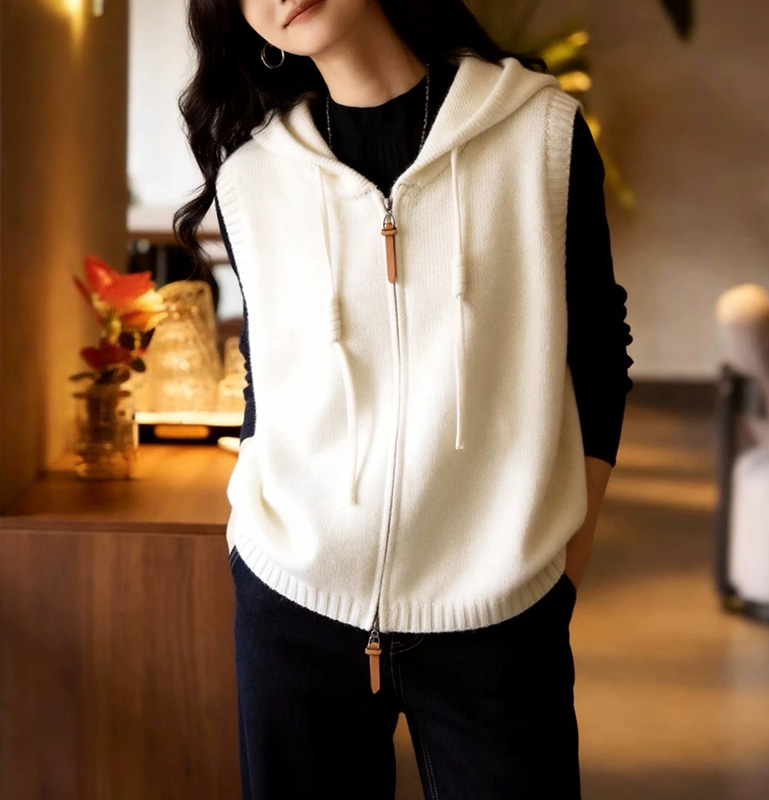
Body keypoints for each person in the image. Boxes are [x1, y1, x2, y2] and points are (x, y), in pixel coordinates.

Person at [174, 1, 634, 798]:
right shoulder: (253, 177)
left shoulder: (539, 132)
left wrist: (567, 555)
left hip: (496, 609)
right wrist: (250, 540)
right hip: (294, 602)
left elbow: (596, 348)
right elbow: (266, 372)